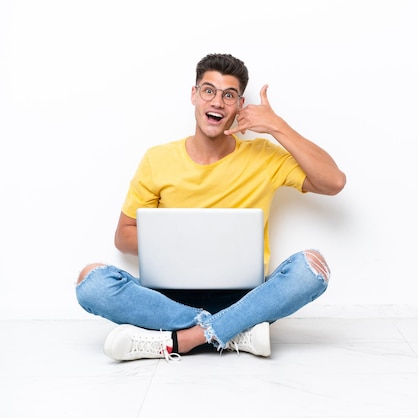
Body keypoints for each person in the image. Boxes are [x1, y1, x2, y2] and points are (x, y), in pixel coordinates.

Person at [75, 53, 346, 361]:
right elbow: (123, 237)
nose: (217, 102)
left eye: (229, 95)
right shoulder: (157, 159)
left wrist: (278, 127)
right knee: (91, 283)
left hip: (245, 298)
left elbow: (333, 182)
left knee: (312, 269)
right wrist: (184, 244)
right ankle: (233, 333)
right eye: (208, 91)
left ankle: (183, 339)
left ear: (240, 106)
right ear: (194, 96)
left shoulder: (264, 156)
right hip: (170, 299)